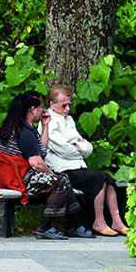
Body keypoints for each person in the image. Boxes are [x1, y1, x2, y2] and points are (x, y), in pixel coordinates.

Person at [0, 91, 90, 240]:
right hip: (16, 177)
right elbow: (36, 163)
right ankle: (46, 227)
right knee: (60, 181)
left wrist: (45, 126)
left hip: (14, 174)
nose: (43, 110)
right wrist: (51, 173)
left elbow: (41, 150)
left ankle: (74, 224)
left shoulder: (25, 127)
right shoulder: (24, 132)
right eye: (40, 107)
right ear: (32, 109)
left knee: (62, 179)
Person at [45, 84, 128, 236]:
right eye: (64, 105)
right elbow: (63, 149)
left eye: (69, 104)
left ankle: (117, 221)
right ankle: (99, 222)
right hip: (61, 171)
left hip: (78, 167)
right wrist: (77, 146)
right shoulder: (48, 122)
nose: (67, 109)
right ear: (52, 104)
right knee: (98, 178)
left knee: (107, 179)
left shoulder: (69, 120)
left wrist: (75, 146)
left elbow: (87, 148)